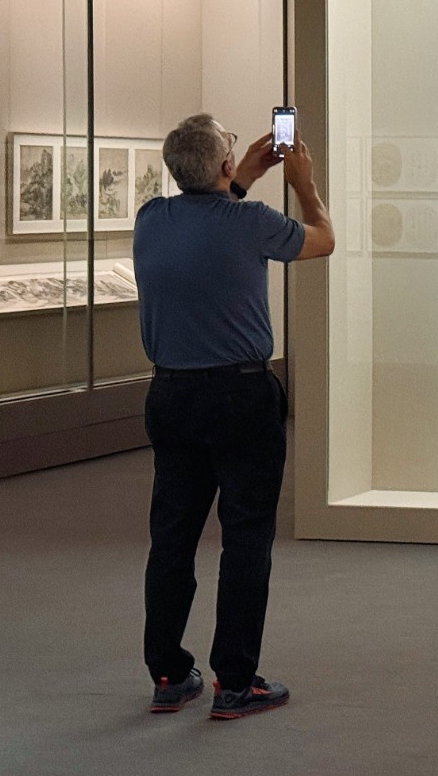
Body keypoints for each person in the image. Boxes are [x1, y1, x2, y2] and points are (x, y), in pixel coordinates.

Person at [134, 114, 334, 719]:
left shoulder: (151, 220)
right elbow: (322, 240)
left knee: (172, 537)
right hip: (240, 399)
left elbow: (208, 216)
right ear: (223, 165)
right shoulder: (252, 223)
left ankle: (168, 673)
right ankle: (236, 683)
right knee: (246, 538)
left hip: (171, 397)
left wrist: (241, 174)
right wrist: (303, 183)